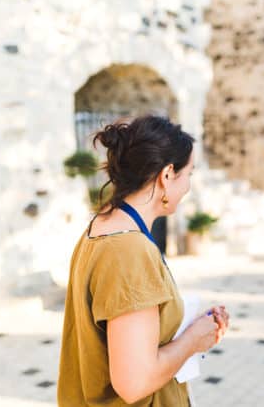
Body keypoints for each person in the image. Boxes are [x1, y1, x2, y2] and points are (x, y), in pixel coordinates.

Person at [58, 115, 229, 406]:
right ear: (167, 175)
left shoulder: (103, 227)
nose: (188, 185)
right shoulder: (128, 250)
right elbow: (135, 382)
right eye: (189, 173)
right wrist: (193, 341)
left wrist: (191, 326)